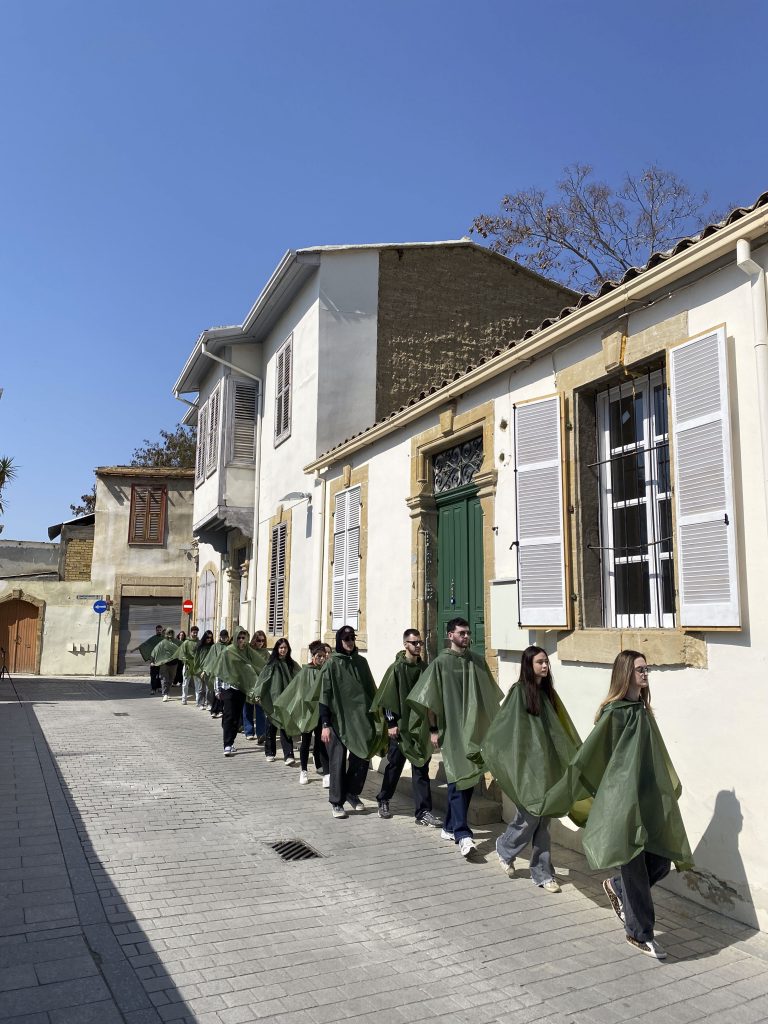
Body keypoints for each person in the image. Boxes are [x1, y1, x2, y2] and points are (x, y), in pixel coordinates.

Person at [533, 650, 693, 960]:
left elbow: (654, 758)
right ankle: (639, 932)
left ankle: (618, 888)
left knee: (660, 861)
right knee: (634, 865)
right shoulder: (615, 714)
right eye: (640, 670)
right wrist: (572, 792)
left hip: (646, 801)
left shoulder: (642, 712)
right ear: (625, 675)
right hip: (622, 804)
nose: (646, 675)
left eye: (647, 669)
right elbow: (590, 758)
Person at [482, 646, 587, 893]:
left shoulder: (549, 694)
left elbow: (561, 729)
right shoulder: (519, 693)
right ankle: (505, 847)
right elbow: (505, 729)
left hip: (547, 766)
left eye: (546, 662)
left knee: (544, 821)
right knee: (530, 816)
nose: (545, 666)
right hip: (527, 769)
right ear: (528, 665)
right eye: (539, 662)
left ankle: (542, 873)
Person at [407, 617, 502, 859]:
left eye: (468, 633)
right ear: (450, 635)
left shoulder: (477, 662)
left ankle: (449, 826)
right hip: (451, 731)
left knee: (468, 779)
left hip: (474, 731)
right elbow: (429, 699)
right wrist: (433, 729)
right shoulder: (440, 663)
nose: (466, 637)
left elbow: (489, 697)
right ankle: (463, 834)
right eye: (461, 633)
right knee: (459, 778)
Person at [370, 628, 441, 827]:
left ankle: (423, 812)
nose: (418, 646)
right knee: (394, 767)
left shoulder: (425, 669)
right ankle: (383, 799)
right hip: (400, 728)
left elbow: (431, 700)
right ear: (405, 645)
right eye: (414, 643)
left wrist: (433, 729)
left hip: (419, 728)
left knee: (421, 768)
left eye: (420, 642)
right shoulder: (396, 669)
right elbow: (388, 697)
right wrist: (391, 723)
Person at [318, 626, 386, 819]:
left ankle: (352, 793)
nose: (349, 641)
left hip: (360, 721)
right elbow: (325, 696)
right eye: (346, 638)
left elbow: (371, 690)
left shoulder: (361, 663)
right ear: (339, 640)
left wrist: (377, 717)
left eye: (352, 638)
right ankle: (336, 802)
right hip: (337, 721)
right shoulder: (331, 665)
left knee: (362, 756)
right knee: (338, 760)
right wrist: (325, 724)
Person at [271, 640, 330, 786]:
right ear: (313, 656)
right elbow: (297, 691)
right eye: (319, 656)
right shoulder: (306, 671)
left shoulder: (326, 671)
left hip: (322, 712)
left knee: (322, 743)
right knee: (306, 742)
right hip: (308, 712)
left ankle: (326, 772)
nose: (322, 659)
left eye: (324, 656)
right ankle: (304, 770)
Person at [213, 630, 263, 757]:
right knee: (229, 715)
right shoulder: (227, 651)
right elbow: (219, 671)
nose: (242, 640)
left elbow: (257, 664)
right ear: (235, 638)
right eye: (239, 638)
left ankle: (231, 740)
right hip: (228, 687)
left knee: (236, 718)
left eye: (244, 638)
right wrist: (217, 689)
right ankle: (227, 744)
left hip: (241, 688)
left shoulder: (247, 652)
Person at [254, 638, 300, 763]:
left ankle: (289, 755)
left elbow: (300, 677)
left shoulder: (292, 664)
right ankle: (270, 752)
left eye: (285, 647)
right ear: (277, 649)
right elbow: (263, 679)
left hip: (287, 701)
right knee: (271, 727)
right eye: (281, 648)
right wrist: (258, 693)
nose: (283, 650)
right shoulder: (271, 664)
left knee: (286, 726)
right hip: (272, 699)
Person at [243, 631, 269, 742]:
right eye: (259, 640)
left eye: (263, 640)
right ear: (254, 640)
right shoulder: (249, 651)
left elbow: (269, 666)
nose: (261, 643)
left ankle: (261, 733)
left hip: (260, 683)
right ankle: (249, 731)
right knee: (248, 707)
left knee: (260, 708)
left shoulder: (266, 653)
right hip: (249, 682)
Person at [152, 629, 181, 702]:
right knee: (164, 679)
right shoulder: (162, 643)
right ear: (166, 634)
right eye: (169, 632)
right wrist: (152, 661)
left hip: (174, 663)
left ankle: (167, 692)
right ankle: (164, 694)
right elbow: (155, 651)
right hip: (164, 664)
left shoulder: (177, 642)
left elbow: (184, 647)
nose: (170, 634)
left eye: (171, 632)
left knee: (171, 679)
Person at [208, 630, 230, 718]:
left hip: (225, 671)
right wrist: (208, 669)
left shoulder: (229, 646)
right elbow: (211, 658)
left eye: (225, 637)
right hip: (216, 670)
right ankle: (214, 710)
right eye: (222, 637)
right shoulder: (215, 646)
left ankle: (221, 710)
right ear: (220, 637)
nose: (224, 638)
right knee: (216, 691)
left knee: (223, 691)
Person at [137, 625, 164, 694]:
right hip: (153, 660)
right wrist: (138, 648)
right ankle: (153, 689)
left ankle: (159, 687)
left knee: (159, 675)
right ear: (156, 631)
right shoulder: (153, 638)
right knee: (153, 675)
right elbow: (145, 644)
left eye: (160, 630)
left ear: (162, 630)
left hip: (161, 660)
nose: (159, 631)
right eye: (157, 630)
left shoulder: (164, 639)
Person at [178, 627, 198, 705]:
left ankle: (198, 700)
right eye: (194, 632)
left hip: (196, 666)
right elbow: (182, 654)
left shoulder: (199, 642)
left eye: (196, 632)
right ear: (191, 632)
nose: (195, 634)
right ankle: (184, 699)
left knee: (197, 684)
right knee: (185, 683)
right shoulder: (186, 642)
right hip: (187, 666)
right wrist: (185, 661)